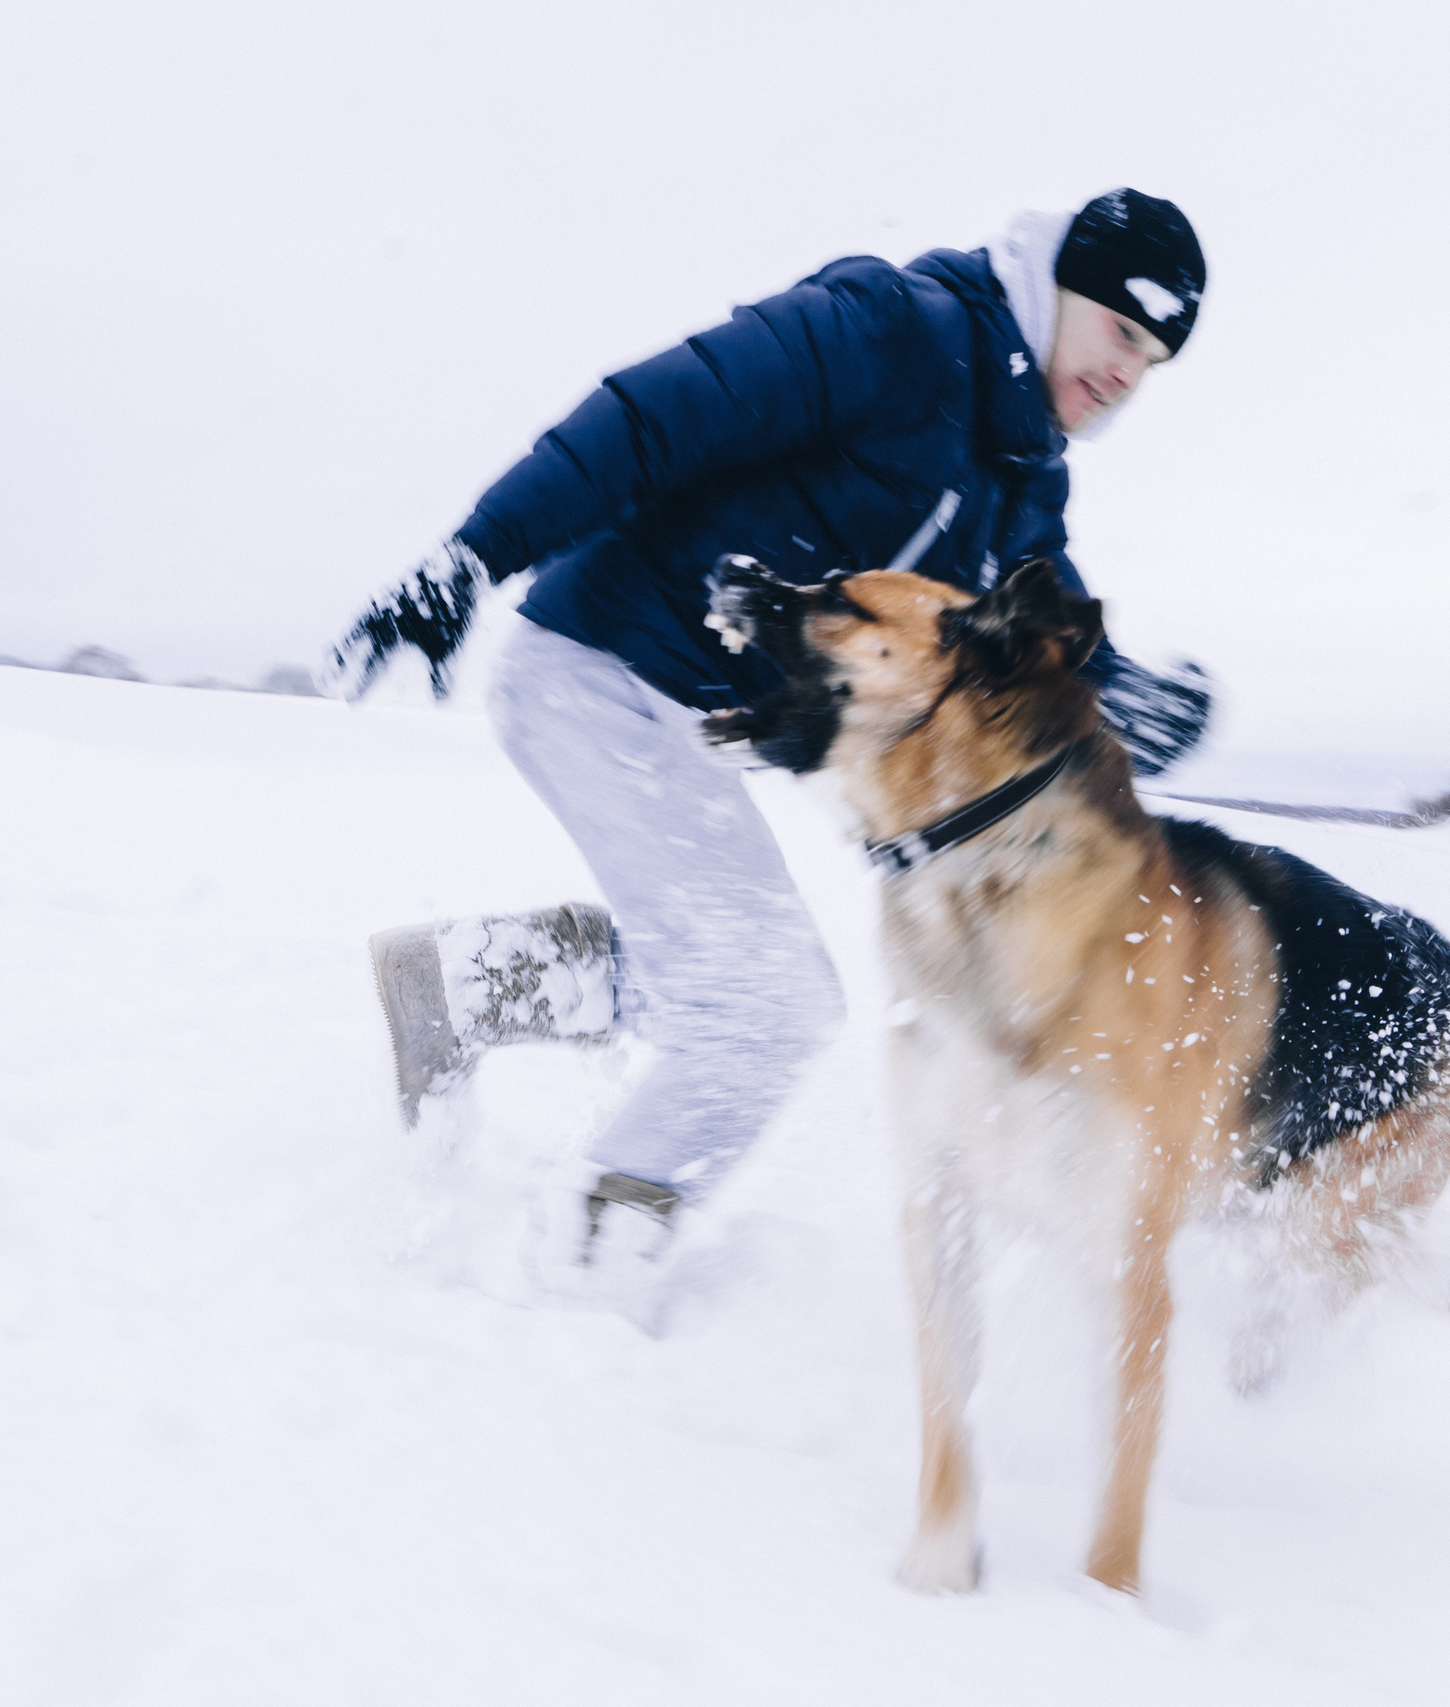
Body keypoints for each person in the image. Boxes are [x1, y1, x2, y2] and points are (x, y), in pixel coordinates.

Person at [330, 189, 1213, 1252]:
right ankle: (593, 1266)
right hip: (599, 667)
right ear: (1053, 281)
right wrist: (473, 556)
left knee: (736, 984)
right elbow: (658, 414)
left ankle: (459, 990)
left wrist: (1113, 686)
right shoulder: (897, 329)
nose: (1127, 372)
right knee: (763, 1009)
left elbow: (1028, 608)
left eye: (1153, 360)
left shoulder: (1017, 468)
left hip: (687, 717)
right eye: (1121, 329)